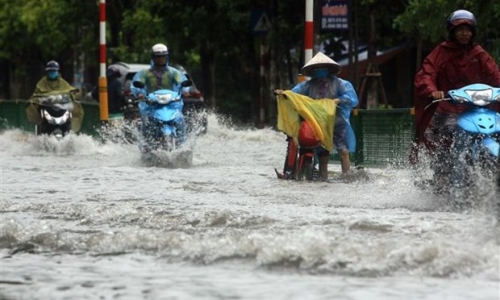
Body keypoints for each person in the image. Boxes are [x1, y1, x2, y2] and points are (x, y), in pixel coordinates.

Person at [412, 9, 500, 185]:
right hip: (449, 106)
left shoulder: (479, 53)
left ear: (473, 32)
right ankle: (442, 173)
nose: (464, 33)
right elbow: (426, 74)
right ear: (452, 32)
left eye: (468, 30)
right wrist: (432, 90)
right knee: (445, 136)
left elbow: (495, 75)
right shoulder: (441, 52)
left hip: (477, 106)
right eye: (460, 30)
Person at [275, 52, 359, 181]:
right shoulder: (308, 85)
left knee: (343, 151)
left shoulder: (340, 83)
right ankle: (323, 180)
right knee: (323, 154)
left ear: (329, 69)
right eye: (316, 69)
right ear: (312, 71)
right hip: (318, 123)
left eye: (322, 68)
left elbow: (351, 98)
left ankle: (347, 179)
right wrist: (283, 93)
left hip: (337, 122)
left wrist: (337, 100)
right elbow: (294, 95)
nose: (319, 71)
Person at [26, 60, 84, 133]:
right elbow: (36, 95)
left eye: (54, 71)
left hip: (61, 108)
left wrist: (75, 96)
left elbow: (70, 90)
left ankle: (72, 132)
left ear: (57, 71)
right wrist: (33, 101)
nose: (52, 73)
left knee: (72, 114)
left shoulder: (62, 82)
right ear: (47, 72)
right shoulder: (42, 83)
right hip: (47, 108)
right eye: (50, 71)